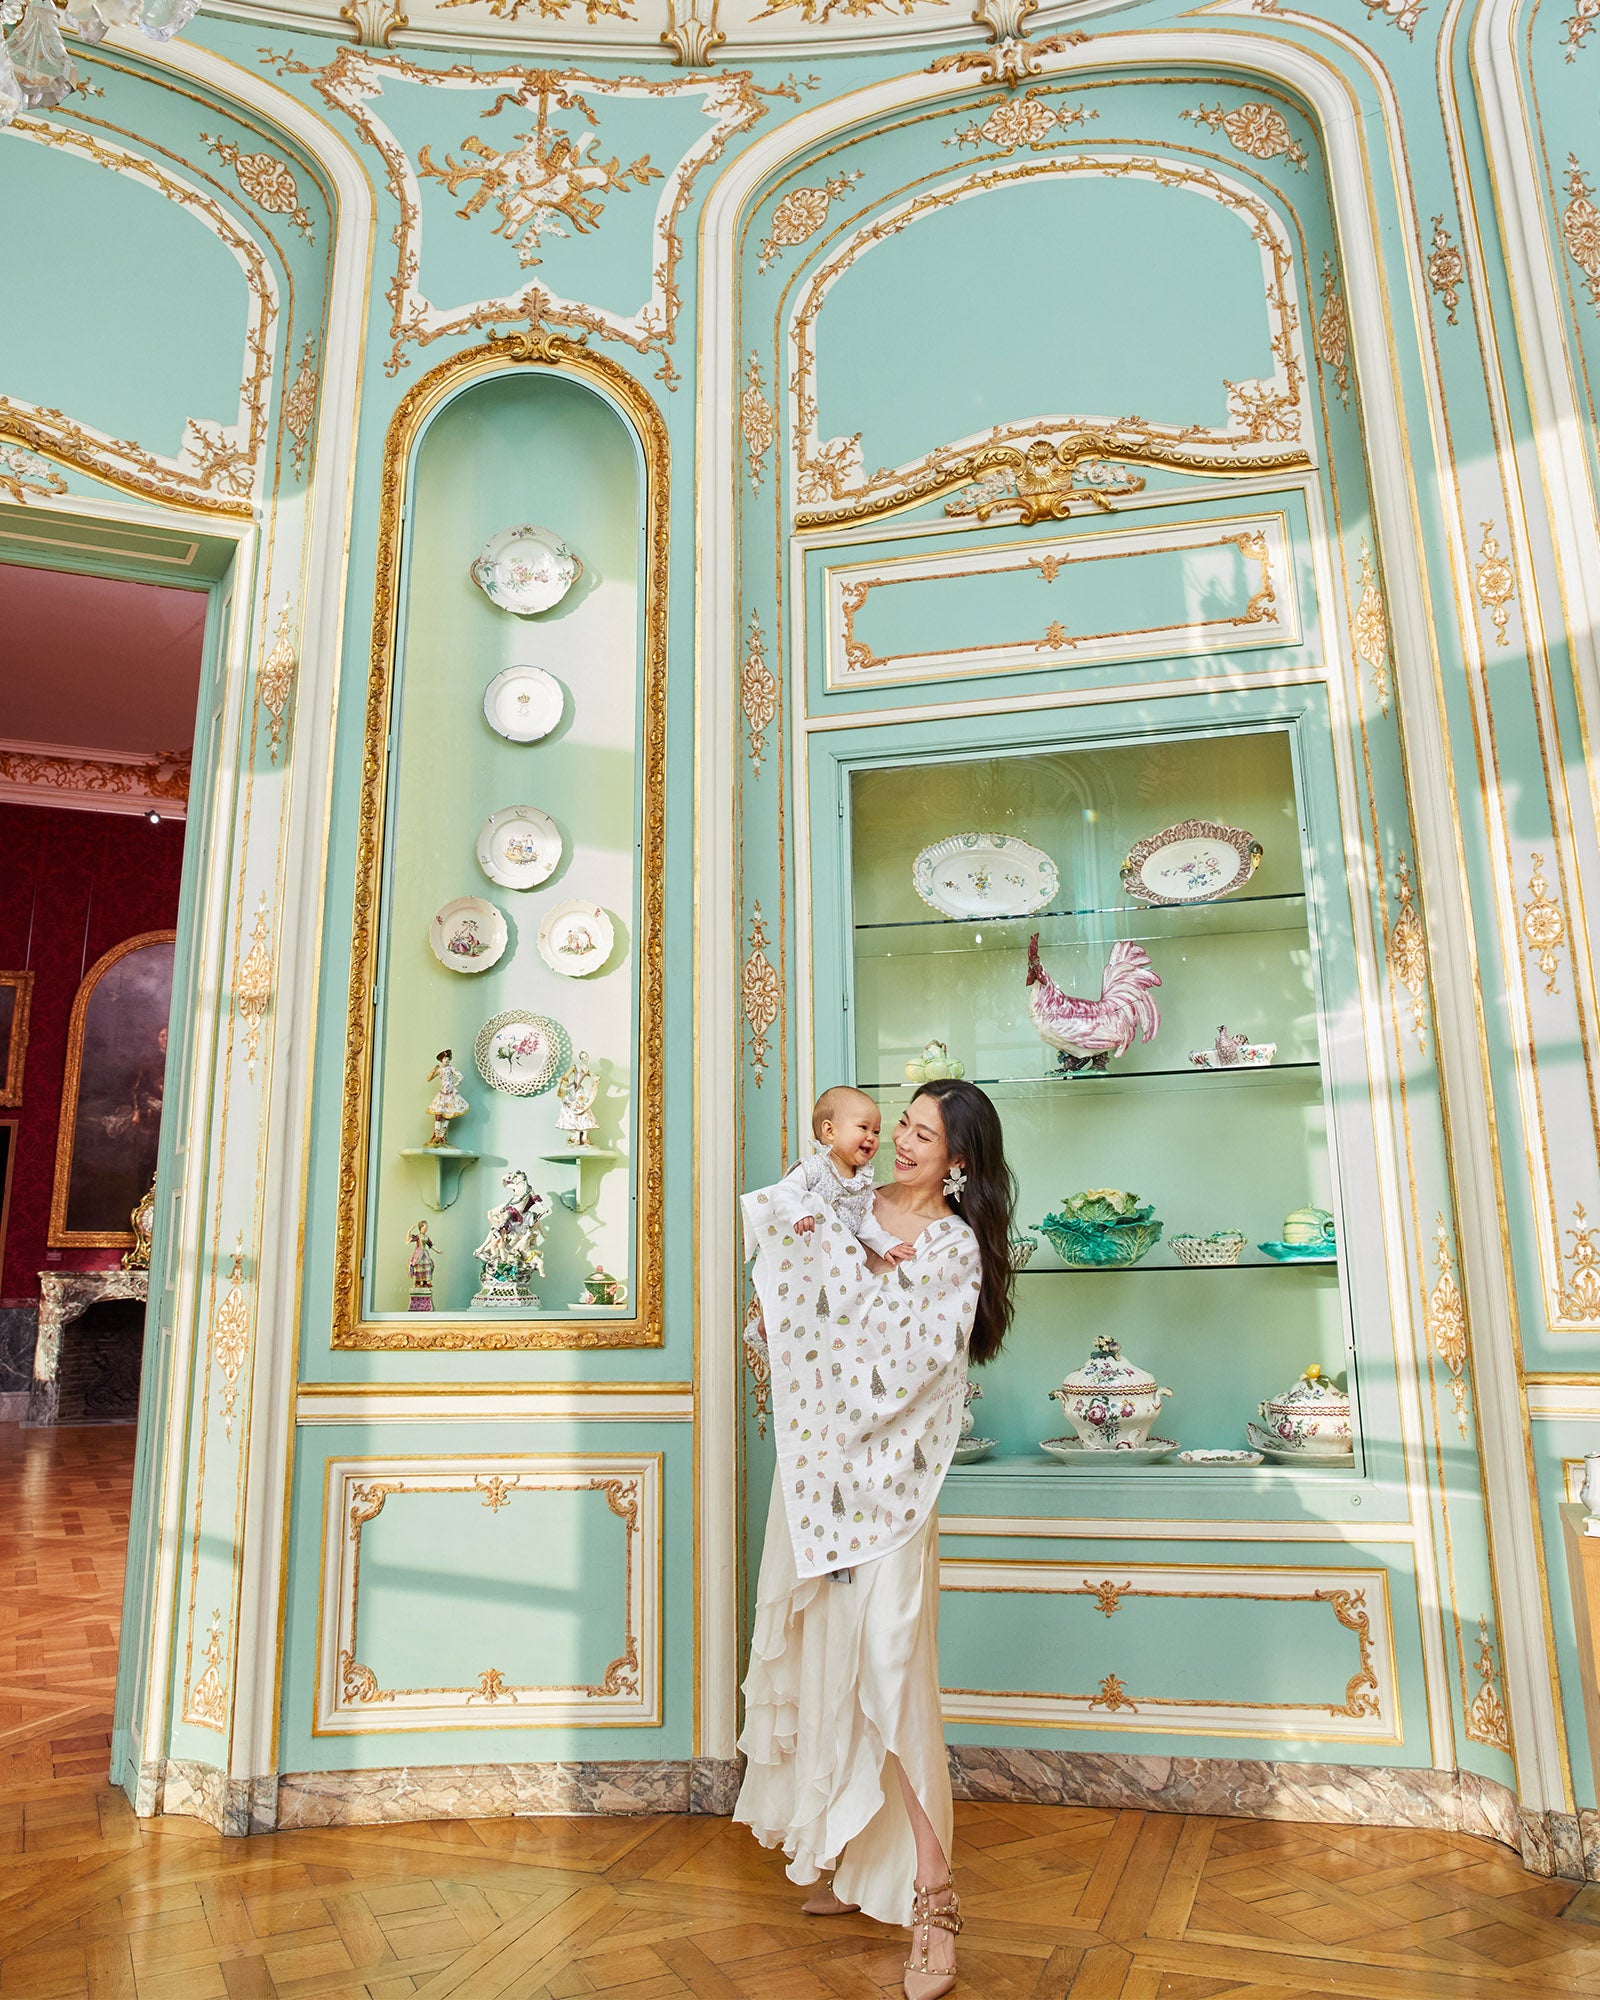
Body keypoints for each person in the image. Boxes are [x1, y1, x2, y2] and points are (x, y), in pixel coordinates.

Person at [735, 1079, 1015, 2000]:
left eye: (923, 1134)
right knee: (831, 1667)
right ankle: (860, 1857)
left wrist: (834, 1294)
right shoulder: (844, 1197)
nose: (899, 1140)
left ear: (959, 1159)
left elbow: (909, 1365)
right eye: (901, 1122)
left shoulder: (952, 1247)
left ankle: (935, 1898)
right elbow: (788, 1289)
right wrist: (783, 1314)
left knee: (893, 1678)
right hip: (820, 1481)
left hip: (892, 1491)